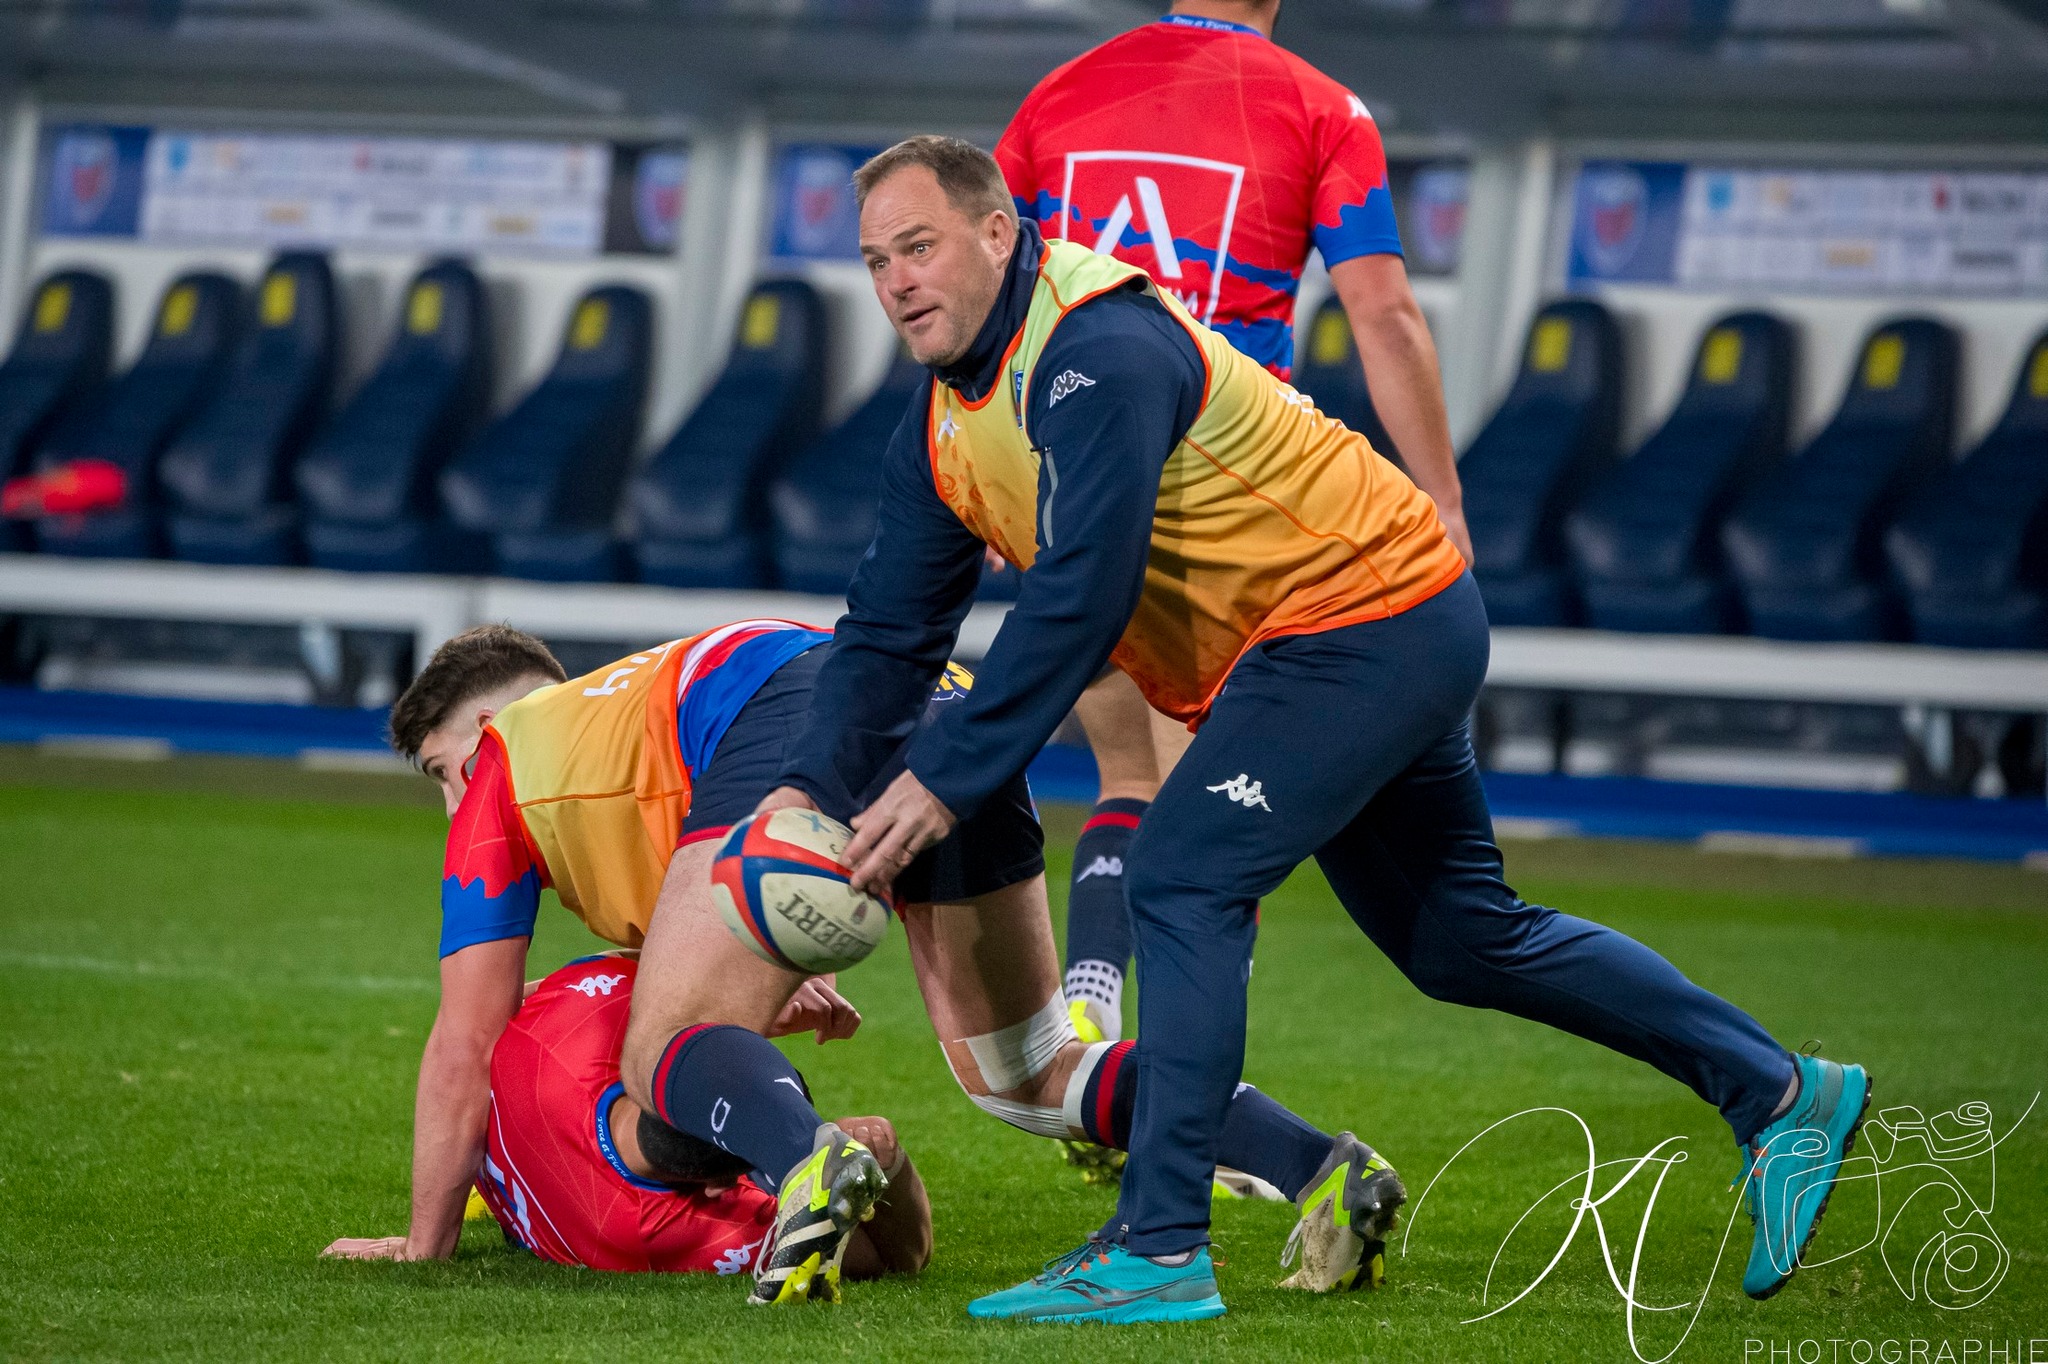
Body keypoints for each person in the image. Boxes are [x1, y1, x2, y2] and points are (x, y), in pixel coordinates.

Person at [756, 136, 1870, 1323]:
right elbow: (883, 633)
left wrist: (945, 777)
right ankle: (1778, 1087)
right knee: (1459, 939)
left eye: (917, 246)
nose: (896, 281)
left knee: (1179, 875)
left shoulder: (1099, 347)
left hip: (1363, 622)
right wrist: (806, 791)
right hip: (1369, 625)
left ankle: (1157, 1242)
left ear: (995, 234)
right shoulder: (935, 430)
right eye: (875, 260)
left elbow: (1081, 587)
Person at [330, 621, 1401, 1307]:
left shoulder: (511, 769)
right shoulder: (613, 734)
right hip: (940, 702)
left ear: (499, 714)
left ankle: (810, 1157)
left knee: (658, 1052)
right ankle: (1319, 1163)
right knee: (1027, 1070)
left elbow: (470, 1033)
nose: (451, 791)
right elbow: (700, 905)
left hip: (805, 715)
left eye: (446, 760)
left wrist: (424, 1243)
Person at [994, 0, 1471, 1045]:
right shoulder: (1318, 108)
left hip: (1067, 483)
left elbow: (994, 296)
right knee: (1208, 838)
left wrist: (993, 480)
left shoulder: (1055, 96)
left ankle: (1088, 997)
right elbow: (1381, 312)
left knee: (1124, 776)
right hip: (1222, 508)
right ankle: (1183, 1099)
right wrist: (1439, 494)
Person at [327, 955, 933, 1281]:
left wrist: (747, 1002)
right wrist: (890, 1159)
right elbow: (898, 1259)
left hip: (512, 1156)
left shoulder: (575, 1016)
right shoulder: (657, 1230)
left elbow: (472, 1019)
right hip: (561, 1199)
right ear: (726, 1183)